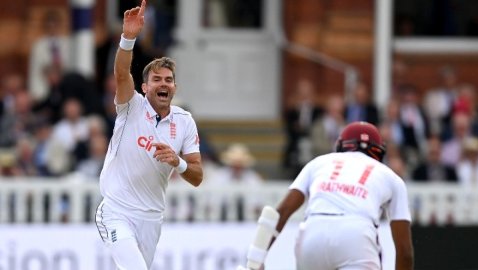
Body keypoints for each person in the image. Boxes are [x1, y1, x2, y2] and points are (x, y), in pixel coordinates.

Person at [94, 1, 203, 269]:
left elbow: (197, 176)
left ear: (175, 87)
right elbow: (121, 73)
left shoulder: (184, 121)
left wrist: (177, 162)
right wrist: (128, 38)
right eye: (156, 80)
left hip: (152, 218)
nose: (163, 84)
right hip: (116, 211)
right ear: (145, 87)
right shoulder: (132, 105)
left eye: (168, 80)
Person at [240, 121, 413, 270]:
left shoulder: (319, 162)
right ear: (378, 151)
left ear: (341, 145)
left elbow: (281, 212)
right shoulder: (391, 177)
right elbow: (404, 251)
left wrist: (256, 259)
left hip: (313, 232)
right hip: (356, 233)